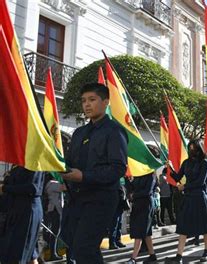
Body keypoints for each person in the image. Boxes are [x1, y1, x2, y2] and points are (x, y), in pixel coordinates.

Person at [60, 83, 128, 263]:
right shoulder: (78, 133)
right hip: (76, 198)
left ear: (105, 102)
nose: (86, 105)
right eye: (83, 101)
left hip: (101, 199)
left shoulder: (114, 131)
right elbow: (70, 163)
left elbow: (118, 168)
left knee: (85, 248)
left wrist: (84, 176)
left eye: (92, 100)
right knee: (73, 245)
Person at [165, 140, 207, 264]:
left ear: (200, 149)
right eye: (190, 148)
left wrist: (185, 187)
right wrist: (170, 168)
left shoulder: (204, 163)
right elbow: (178, 177)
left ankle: (206, 251)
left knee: (205, 226)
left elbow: (200, 182)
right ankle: (179, 256)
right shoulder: (186, 162)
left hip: (200, 197)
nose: (192, 150)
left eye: (194, 148)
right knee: (183, 227)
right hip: (188, 198)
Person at [0, 166, 45, 264]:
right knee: (29, 254)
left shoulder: (34, 163)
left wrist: (5, 188)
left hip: (27, 212)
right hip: (14, 211)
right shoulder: (16, 165)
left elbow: (33, 188)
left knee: (18, 254)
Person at [126, 172, 157, 264]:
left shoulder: (152, 175)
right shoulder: (138, 174)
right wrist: (127, 179)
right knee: (146, 232)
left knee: (139, 231)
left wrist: (134, 195)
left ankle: (133, 258)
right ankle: (152, 255)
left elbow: (147, 191)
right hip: (137, 205)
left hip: (146, 205)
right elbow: (132, 188)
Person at [44, 174, 66, 261]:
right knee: (55, 233)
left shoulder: (48, 184)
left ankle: (53, 252)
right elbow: (65, 187)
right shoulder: (53, 183)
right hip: (55, 210)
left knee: (52, 232)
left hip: (52, 210)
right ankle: (53, 253)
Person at [108, 177, 128, 249]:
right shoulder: (113, 180)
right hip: (114, 205)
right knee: (114, 224)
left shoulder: (122, 180)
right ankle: (112, 242)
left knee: (119, 223)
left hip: (120, 205)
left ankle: (118, 240)